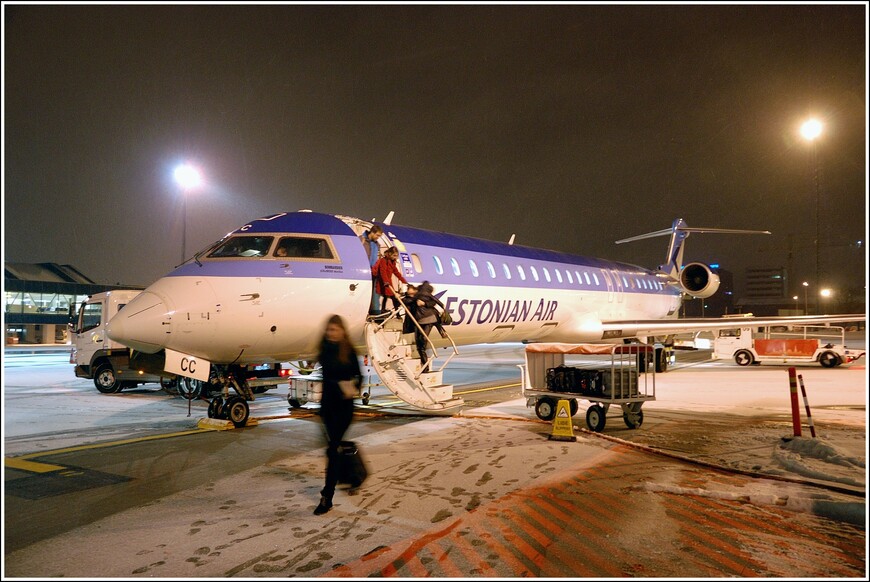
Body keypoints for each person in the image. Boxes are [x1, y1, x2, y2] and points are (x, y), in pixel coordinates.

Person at [314, 314, 362, 515]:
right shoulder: (324, 350)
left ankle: (327, 496)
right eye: (328, 330)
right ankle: (354, 475)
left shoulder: (349, 351)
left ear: (342, 331)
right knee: (334, 449)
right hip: (327, 407)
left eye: (334, 330)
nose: (330, 333)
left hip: (344, 407)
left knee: (332, 451)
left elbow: (359, 376)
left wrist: (350, 387)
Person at [413, 281, 447, 368]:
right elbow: (439, 303)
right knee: (423, 340)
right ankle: (442, 331)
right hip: (432, 318)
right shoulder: (430, 296)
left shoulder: (417, 295)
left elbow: (410, 301)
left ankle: (425, 365)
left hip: (421, 320)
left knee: (421, 344)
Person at [373, 247, 408, 316]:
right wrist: (386, 281)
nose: (395, 257)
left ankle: (383, 311)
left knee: (386, 297)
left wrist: (403, 280)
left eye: (396, 255)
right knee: (393, 297)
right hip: (383, 283)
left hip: (388, 282)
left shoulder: (393, 262)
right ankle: (397, 314)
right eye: (394, 255)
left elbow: (396, 272)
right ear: (389, 254)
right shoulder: (384, 261)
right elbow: (383, 272)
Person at [360, 225, 384, 316]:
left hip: (374, 272)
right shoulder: (361, 240)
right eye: (377, 235)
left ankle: (375, 312)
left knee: (375, 293)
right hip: (364, 271)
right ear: (372, 232)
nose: (378, 238)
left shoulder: (377, 244)